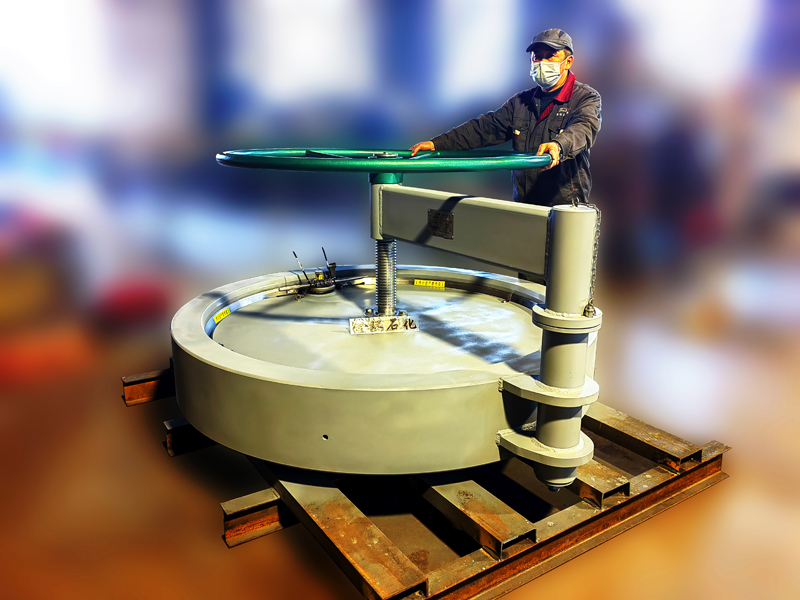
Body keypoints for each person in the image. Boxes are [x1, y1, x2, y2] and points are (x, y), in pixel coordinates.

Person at [410, 28, 601, 207]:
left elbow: (583, 128)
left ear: (568, 62)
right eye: (537, 57)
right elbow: (483, 128)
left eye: (550, 55)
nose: (543, 63)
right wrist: (438, 143)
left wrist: (559, 145)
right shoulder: (520, 103)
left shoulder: (585, 98)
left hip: (565, 209)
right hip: (525, 205)